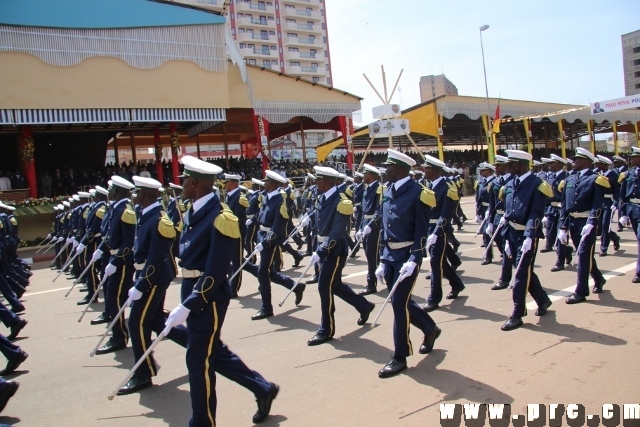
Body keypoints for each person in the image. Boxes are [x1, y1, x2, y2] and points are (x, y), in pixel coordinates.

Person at [164, 155, 279, 426]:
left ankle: (202, 422)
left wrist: (189, 305)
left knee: (197, 359)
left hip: (208, 297)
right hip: (193, 290)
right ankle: (263, 388)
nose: (181, 185)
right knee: (210, 352)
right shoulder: (194, 210)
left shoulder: (221, 216)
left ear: (194, 182)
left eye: (184, 181)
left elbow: (216, 273)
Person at [118, 176, 187, 395]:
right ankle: (199, 343)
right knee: (156, 320)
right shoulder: (146, 214)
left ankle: (143, 373)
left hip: (154, 278)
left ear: (146, 194)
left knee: (136, 322)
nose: (135, 196)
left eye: (138, 193)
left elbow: (156, 259)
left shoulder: (159, 219)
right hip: (148, 276)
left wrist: (141, 284)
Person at [376, 149, 440, 378]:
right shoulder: (388, 191)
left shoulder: (418, 193)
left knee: (398, 304)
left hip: (407, 258)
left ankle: (400, 356)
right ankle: (430, 328)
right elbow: (385, 228)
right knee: (399, 301)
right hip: (391, 257)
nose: (385, 171)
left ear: (399, 169)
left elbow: (422, 232)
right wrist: (383, 259)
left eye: (388, 167)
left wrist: (414, 259)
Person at [306, 166, 374, 346]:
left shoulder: (341, 201)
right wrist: (309, 218)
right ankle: (364, 306)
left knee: (324, 287)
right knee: (334, 286)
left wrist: (321, 251)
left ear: (326, 181)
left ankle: (326, 329)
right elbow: (321, 219)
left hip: (334, 251)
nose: (315, 183)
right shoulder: (323, 196)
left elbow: (336, 232)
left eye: (318, 180)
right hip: (323, 247)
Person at [498, 150, 553, 331]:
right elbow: (510, 209)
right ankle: (543, 299)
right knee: (524, 269)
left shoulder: (537, 185)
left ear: (521, 164)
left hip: (527, 235)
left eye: (511, 164)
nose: (508, 167)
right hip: (512, 233)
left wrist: (530, 235)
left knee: (521, 272)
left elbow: (536, 213)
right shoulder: (511, 183)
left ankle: (517, 313)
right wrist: (505, 226)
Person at [249, 170, 305, 320]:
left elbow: (277, 227)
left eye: (266, 181)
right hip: (262, 237)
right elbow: (261, 214)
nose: (264, 183)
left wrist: (265, 242)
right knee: (269, 272)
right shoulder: (267, 197)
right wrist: (252, 219)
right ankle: (296, 287)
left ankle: (266, 307)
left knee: (262, 272)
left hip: (270, 240)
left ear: (272, 184)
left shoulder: (279, 201)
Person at [559, 147, 608, 303]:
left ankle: (581, 291)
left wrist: (592, 222)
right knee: (584, 254)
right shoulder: (569, 179)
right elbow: (565, 205)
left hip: (587, 222)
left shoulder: (595, 179)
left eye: (577, 160)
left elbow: (597, 205)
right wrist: (562, 226)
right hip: (573, 221)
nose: (574, 162)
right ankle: (598, 279)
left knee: (583, 254)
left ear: (585, 162)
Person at [95, 176, 137, 354]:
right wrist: (101, 249)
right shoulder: (115, 208)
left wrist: (117, 261)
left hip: (122, 262)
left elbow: (129, 243)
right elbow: (110, 236)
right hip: (113, 259)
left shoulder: (126, 210)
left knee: (115, 298)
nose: (109, 191)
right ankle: (119, 334)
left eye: (111, 188)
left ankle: (119, 336)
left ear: (118, 191)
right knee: (114, 297)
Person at [423, 155, 465, 312]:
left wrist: (436, 232)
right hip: (429, 229)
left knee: (435, 263)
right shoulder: (428, 187)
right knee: (440, 261)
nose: (424, 170)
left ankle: (434, 298)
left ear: (433, 170)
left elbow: (445, 215)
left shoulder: (447, 188)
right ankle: (457, 284)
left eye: (426, 168)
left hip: (439, 231)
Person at [75, 186, 109, 305]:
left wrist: (84, 242)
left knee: (90, 267)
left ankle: (92, 292)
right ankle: (91, 290)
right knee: (89, 266)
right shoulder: (95, 207)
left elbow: (94, 229)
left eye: (95, 195)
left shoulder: (101, 208)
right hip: (91, 242)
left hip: (95, 242)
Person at [486, 155, 514, 290]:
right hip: (497, 218)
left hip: (509, 219)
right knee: (501, 244)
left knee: (506, 247)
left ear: (505, 167)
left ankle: (505, 278)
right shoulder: (495, 182)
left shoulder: (513, 180)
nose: (495, 168)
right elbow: (492, 204)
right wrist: (490, 221)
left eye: (498, 166)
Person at [356, 164, 383, 296]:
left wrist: (370, 225)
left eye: (365, 174)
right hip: (366, 224)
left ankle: (371, 284)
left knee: (372, 256)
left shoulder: (379, 189)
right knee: (370, 255)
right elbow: (363, 210)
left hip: (374, 226)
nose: (363, 176)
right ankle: (384, 275)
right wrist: (360, 228)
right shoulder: (366, 189)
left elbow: (379, 211)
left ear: (371, 175)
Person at [544, 155, 573, 271]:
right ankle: (567, 250)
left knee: (561, 235)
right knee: (550, 233)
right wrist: (545, 213)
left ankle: (560, 261)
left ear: (561, 165)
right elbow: (546, 195)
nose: (550, 165)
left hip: (562, 209)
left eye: (553, 163)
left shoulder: (567, 176)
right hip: (551, 209)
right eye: (549, 163)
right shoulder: (549, 177)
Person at [223, 173, 248, 297]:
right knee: (230, 260)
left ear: (232, 183)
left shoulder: (239, 197)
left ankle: (234, 288)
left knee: (237, 261)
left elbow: (238, 218)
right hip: (229, 233)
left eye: (226, 183)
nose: (224, 185)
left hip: (236, 233)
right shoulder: (229, 196)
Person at [618, 147, 640, 283]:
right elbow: (623, 195)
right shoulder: (628, 173)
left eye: (634, 157)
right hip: (632, 209)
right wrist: (623, 213)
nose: (631, 159)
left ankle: (638, 272)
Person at [595, 155, 621, 257]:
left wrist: (615, 203)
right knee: (600, 225)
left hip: (609, 202)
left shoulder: (613, 175)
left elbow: (617, 192)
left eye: (599, 163)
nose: (597, 165)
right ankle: (614, 237)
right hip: (598, 202)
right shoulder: (597, 174)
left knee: (606, 224)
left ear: (604, 165)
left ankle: (604, 247)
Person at [475, 162, 496, 265]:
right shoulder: (481, 182)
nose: (482, 172)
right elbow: (478, 198)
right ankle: (488, 256)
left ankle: (506, 252)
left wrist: (490, 210)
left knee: (498, 235)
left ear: (490, 171)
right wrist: (478, 213)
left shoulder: (494, 182)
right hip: (484, 210)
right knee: (486, 233)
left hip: (492, 210)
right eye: (481, 171)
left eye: (484, 170)